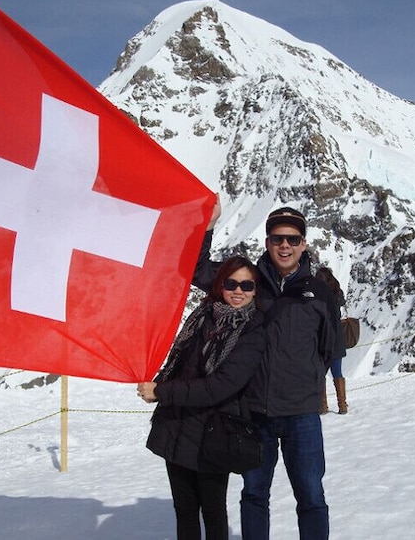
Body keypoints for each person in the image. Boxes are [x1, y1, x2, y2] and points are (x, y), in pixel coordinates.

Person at [193, 202, 342, 540]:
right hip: (253, 414)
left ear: (303, 244)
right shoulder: (247, 284)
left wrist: (304, 382)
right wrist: (207, 226)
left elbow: (330, 348)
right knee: (254, 495)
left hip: (301, 415)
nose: (284, 245)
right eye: (277, 238)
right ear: (267, 242)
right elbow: (199, 271)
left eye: (292, 238)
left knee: (311, 497)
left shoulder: (319, 293)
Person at [137, 255, 266, 540]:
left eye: (246, 285)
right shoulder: (203, 317)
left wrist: (161, 392)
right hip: (178, 424)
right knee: (184, 510)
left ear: (256, 290)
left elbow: (219, 387)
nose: (238, 291)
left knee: (213, 511)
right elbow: (182, 363)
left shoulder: (254, 331)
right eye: (231, 283)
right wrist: (159, 383)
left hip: (214, 433)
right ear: (221, 285)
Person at [314, 267, 348, 414]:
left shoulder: (319, 294)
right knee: (337, 373)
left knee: (320, 373)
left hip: (323, 339)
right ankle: (342, 405)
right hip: (338, 339)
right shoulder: (337, 293)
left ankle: (323, 406)